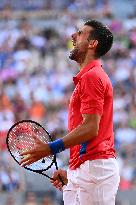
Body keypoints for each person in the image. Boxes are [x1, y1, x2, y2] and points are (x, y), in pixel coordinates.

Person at [20, 19, 120, 205]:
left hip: (95, 167)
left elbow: (91, 129)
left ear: (93, 44)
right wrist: (73, 174)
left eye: (80, 33)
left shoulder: (92, 76)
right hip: (87, 168)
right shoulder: (88, 77)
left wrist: (51, 148)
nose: (73, 36)